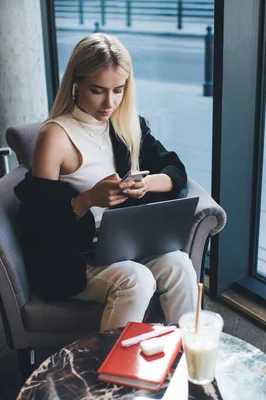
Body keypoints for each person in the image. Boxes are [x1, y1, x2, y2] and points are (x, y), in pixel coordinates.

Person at [14, 33, 198, 332]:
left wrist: (148, 184)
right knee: (137, 280)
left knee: (179, 264)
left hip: (126, 246)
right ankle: (113, 376)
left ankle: (184, 359)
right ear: (76, 84)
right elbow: (37, 222)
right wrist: (87, 199)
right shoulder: (55, 137)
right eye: (97, 90)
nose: (109, 102)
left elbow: (175, 170)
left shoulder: (126, 124)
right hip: (74, 258)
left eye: (118, 90)